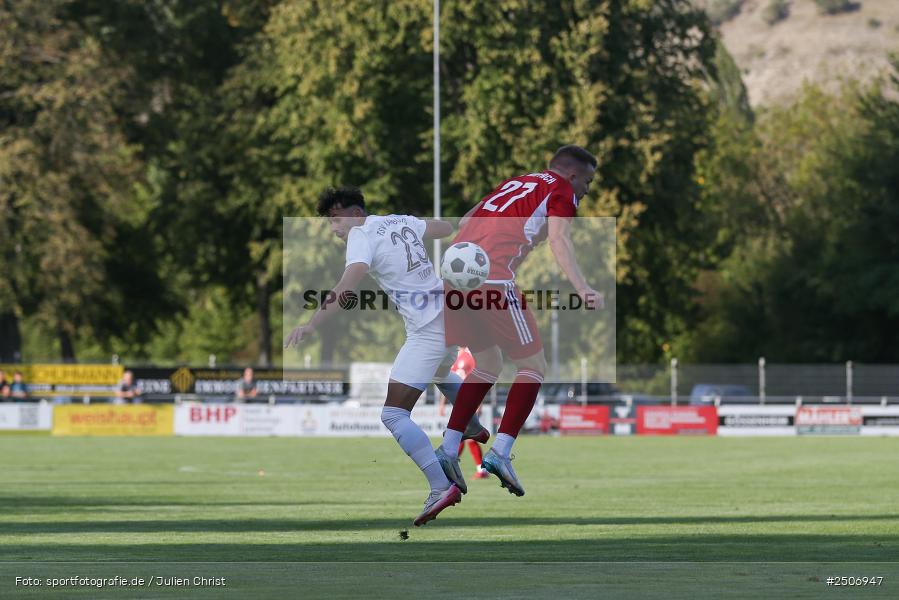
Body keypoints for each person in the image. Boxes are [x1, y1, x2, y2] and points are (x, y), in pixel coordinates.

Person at [284, 186, 488, 526]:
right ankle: (471, 424)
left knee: (393, 415)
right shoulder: (398, 220)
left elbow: (347, 286)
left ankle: (441, 486)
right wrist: (471, 215)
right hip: (450, 315)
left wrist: (311, 323)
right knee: (441, 373)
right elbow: (444, 228)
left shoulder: (360, 234)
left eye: (335, 219)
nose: (334, 228)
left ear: (354, 213)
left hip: (428, 327)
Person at [437, 145, 603, 497]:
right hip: (493, 279)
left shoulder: (517, 182)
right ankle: (500, 452)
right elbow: (559, 239)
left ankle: (448, 449)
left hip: (454, 277)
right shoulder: (561, 189)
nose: (587, 190)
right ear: (572, 175)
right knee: (533, 367)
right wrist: (583, 288)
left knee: (488, 364)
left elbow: (466, 220)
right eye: (588, 182)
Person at [439, 347, 489, 480]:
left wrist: (479, 403)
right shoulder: (453, 356)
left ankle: (453, 466)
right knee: (461, 436)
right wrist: (442, 404)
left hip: (470, 401)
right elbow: (447, 382)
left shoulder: (469, 355)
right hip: (458, 403)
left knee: (465, 436)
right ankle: (454, 466)